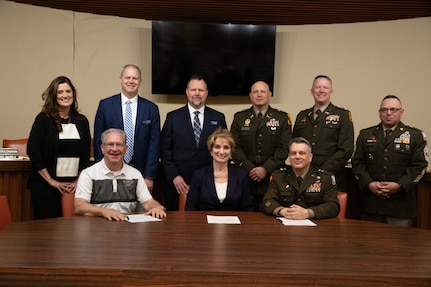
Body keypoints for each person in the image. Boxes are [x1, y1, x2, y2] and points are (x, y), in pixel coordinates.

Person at [351, 95, 428, 227]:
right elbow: (357, 162)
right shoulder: (365, 135)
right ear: (379, 113)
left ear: (401, 112)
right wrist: (369, 184)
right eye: (384, 110)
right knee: (369, 245)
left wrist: (399, 186)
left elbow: (420, 166)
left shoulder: (415, 136)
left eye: (393, 109)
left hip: (400, 205)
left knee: (399, 246)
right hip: (371, 204)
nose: (388, 113)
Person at [27, 76, 91, 219]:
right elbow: (33, 151)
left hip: (74, 187)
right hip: (45, 187)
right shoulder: (43, 119)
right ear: (53, 96)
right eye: (60, 92)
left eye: (68, 91)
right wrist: (51, 181)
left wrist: (77, 181)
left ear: (73, 94)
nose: (65, 95)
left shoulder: (82, 121)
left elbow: (86, 155)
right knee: (48, 232)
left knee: (74, 232)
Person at [161, 75, 227, 210]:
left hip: (209, 181)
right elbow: (164, 150)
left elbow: (224, 150)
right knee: (177, 224)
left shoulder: (218, 117)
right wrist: (174, 176)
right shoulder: (173, 117)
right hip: (179, 182)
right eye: (193, 90)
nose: (197, 93)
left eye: (201, 90)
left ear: (206, 93)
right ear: (187, 92)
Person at [94, 64, 160, 191]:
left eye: (134, 78)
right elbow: (98, 141)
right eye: (127, 77)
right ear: (120, 79)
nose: (131, 81)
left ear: (140, 81)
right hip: (110, 172)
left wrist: (149, 176)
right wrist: (101, 171)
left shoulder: (151, 108)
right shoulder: (105, 105)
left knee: (141, 210)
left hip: (141, 174)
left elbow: (154, 144)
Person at [75, 128, 166, 221]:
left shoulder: (135, 174)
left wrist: (156, 207)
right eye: (110, 144)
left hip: (127, 228)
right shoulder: (88, 174)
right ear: (102, 148)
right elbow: (79, 206)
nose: (114, 149)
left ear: (125, 149)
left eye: (119, 145)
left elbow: (148, 202)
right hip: (97, 228)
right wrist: (104, 211)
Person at [231, 80, 292, 211]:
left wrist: (265, 168)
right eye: (255, 91)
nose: (259, 94)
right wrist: (249, 168)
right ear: (250, 95)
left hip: (273, 177)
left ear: (269, 94)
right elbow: (234, 146)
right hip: (246, 176)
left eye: (263, 91)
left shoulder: (281, 118)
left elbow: (285, 148)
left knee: (271, 215)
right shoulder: (239, 118)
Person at [293, 75, 354, 192]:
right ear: (312, 91)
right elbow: (295, 145)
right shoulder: (302, 115)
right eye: (318, 87)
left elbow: (346, 149)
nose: (321, 90)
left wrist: (323, 171)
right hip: (304, 175)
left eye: (325, 87)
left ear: (331, 91)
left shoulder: (342, 115)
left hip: (332, 176)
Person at [261, 137, 339, 219]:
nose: (297, 157)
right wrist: (283, 211)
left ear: (310, 157)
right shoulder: (278, 176)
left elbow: (333, 206)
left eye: (302, 153)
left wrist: (308, 213)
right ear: (289, 157)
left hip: (315, 227)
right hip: (285, 223)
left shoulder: (325, 178)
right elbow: (266, 202)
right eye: (293, 153)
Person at [186, 128, 253, 211]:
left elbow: (247, 209)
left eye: (226, 147)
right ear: (211, 150)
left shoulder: (241, 176)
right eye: (217, 147)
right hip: (204, 223)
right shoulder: (199, 176)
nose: (221, 152)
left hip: (234, 223)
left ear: (231, 151)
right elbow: (190, 208)